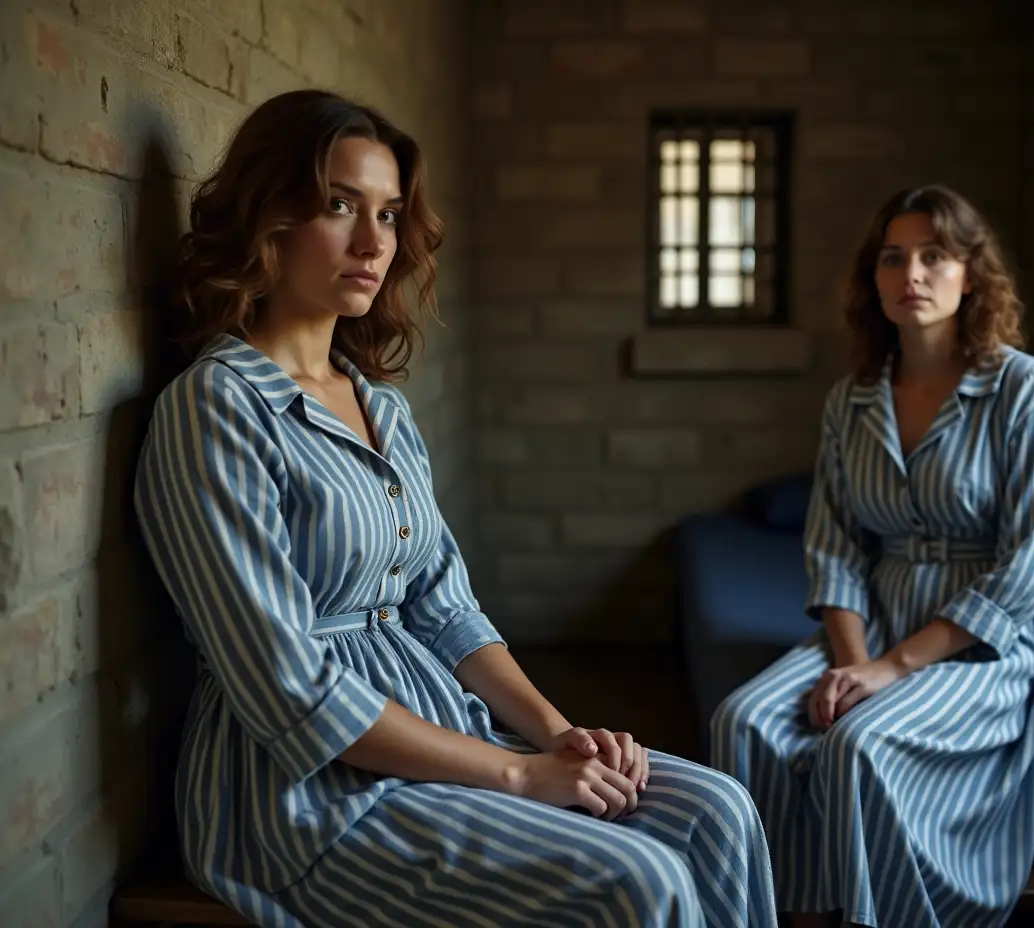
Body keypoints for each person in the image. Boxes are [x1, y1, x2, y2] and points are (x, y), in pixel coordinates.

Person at [133, 88, 776, 928]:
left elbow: (445, 609)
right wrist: (515, 775)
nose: (374, 243)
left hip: (443, 725)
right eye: (339, 206)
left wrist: (556, 736)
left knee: (719, 812)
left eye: (391, 215)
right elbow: (286, 687)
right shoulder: (214, 409)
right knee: (638, 883)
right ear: (268, 220)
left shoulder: (380, 407)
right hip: (305, 792)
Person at [710, 185, 1034, 928]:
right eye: (893, 257)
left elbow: (1029, 563)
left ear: (970, 274)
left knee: (858, 745)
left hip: (983, 636)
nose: (912, 273)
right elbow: (835, 543)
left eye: (934, 256)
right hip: (874, 616)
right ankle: (774, 912)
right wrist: (852, 662)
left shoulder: (1024, 389)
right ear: (873, 278)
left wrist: (892, 670)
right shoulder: (852, 401)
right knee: (740, 721)